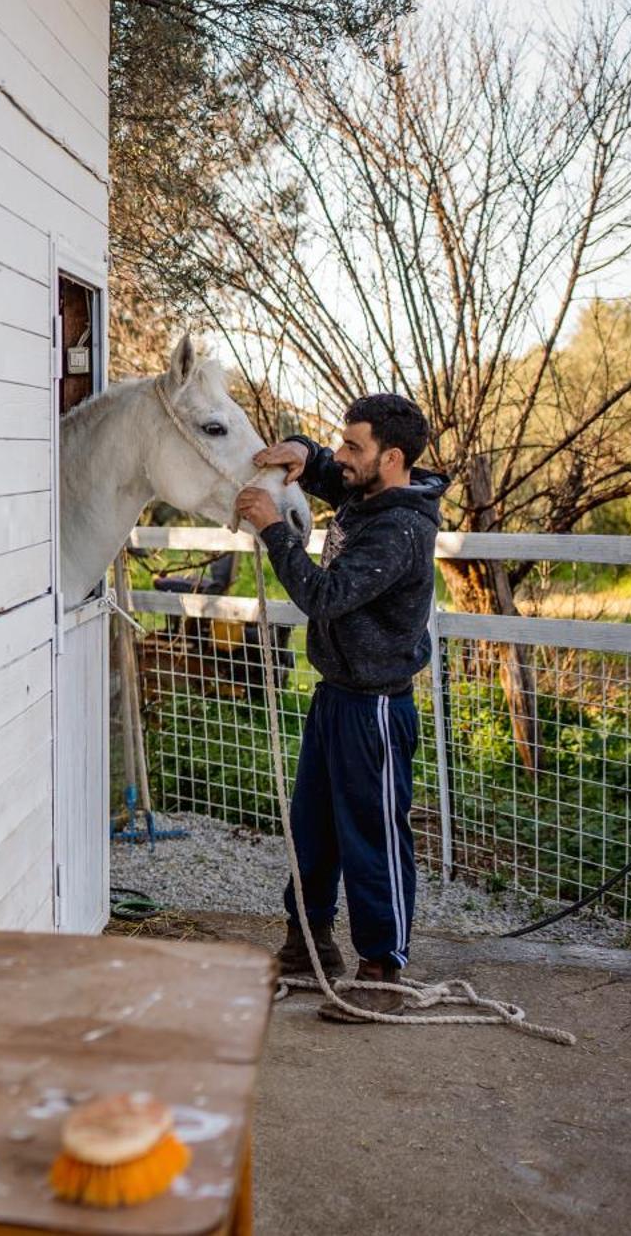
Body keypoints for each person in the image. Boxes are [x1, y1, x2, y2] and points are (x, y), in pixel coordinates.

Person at [234, 394, 449, 1019]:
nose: (343, 456)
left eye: (355, 446)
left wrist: (275, 529)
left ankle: (383, 969)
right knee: (313, 827)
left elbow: (324, 596)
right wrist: (303, 446)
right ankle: (309, 944)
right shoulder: (371, 493)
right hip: (337, 695)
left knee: (373, 836)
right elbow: (325, 468)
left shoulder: (400, 529)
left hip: (375, 708)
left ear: (393, 458)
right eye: (344, 442)